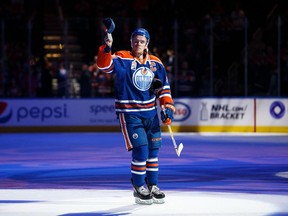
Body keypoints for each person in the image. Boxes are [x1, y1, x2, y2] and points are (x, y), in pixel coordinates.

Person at [96, 23, 175, 205]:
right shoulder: (122, 58)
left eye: (142, 41)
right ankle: (139, 186)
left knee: (153, 152)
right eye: (135, 41)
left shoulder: (156, 63)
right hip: (130, 114)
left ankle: (152, 184)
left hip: (151, 114)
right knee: (141, 150)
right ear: (131, 43)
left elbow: (164, 88)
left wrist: (167, 107)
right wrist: (107, 47)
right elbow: (104, 66)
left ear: (147, 43)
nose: (138, 44)